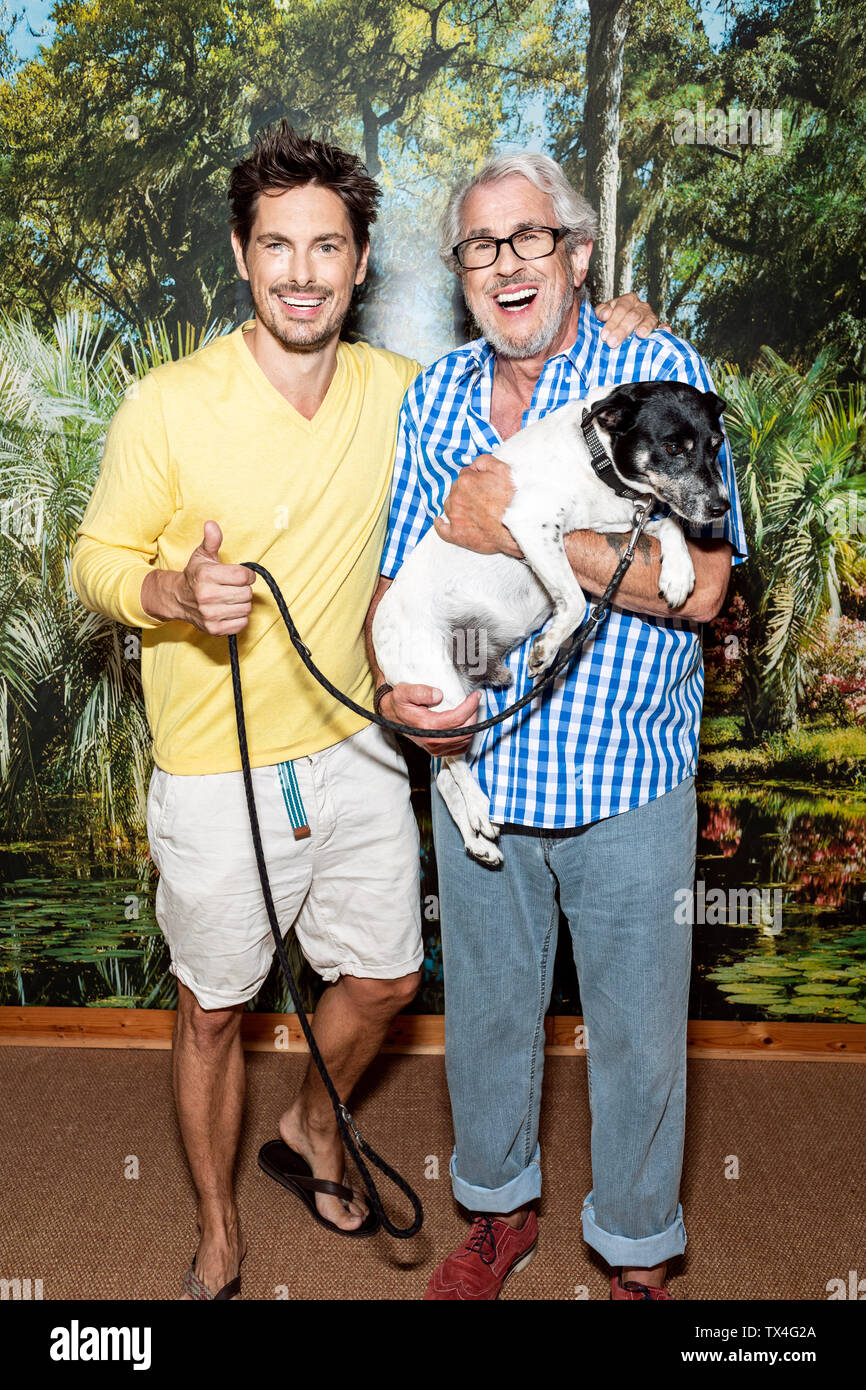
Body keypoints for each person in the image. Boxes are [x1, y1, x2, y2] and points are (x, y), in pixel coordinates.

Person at [71, 124, 658, 1299]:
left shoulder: (404, 389)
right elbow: (92, 558)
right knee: (211, 1008)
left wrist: (620, 325)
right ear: (243, 257)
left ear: (358, 265)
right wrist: (169, 589)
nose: (301, 271)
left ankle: (310, 1127)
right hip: (213, 763)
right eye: (277, 246)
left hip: (357, 748)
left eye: (326, 247)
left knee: (387, 980)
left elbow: (535, 370)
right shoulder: (165, 403)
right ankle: (219, 1228)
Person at [366, 151, 747, 1301]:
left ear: (577, 255)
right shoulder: (433, 399)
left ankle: (635, 1251)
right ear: (460, 276)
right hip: (486, 761)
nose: (505, 265)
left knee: (635, 1034)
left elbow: (705, 584)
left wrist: (515, 528)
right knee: (482, 1019)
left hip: (627, 764)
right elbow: (408, 584)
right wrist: (414, 695)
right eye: (480, 248)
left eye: (529, 238)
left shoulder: (654, 368)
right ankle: (496, 1211)